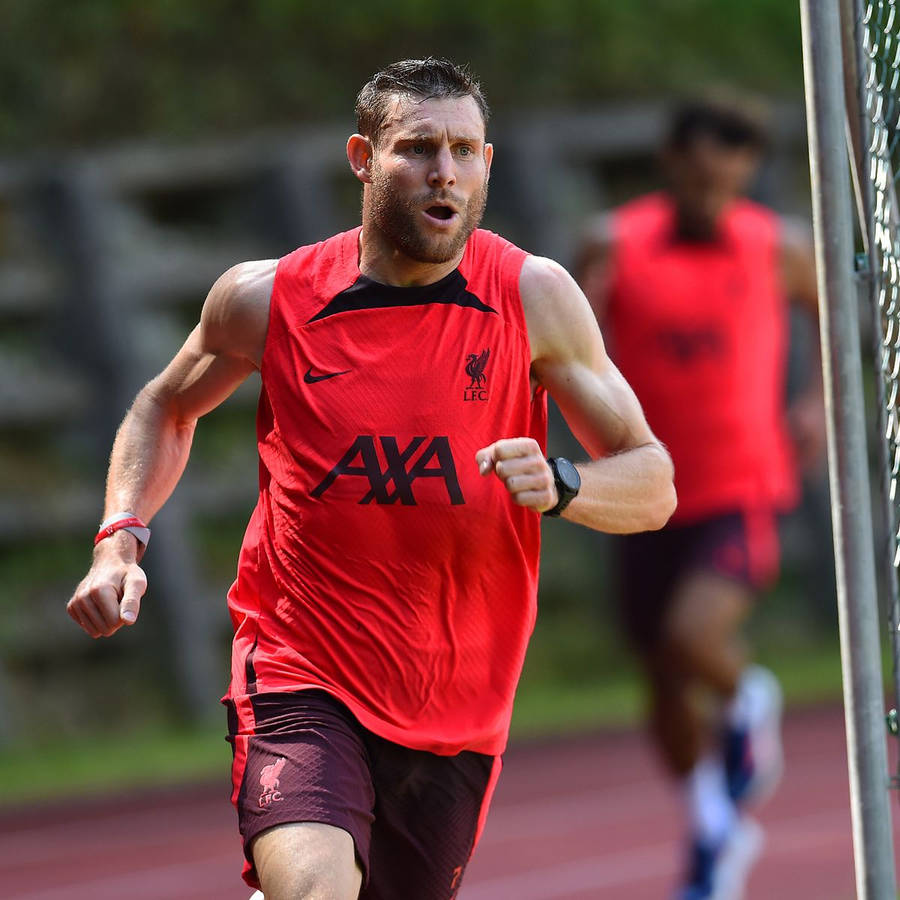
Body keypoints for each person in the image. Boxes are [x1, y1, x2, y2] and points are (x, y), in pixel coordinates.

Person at [68, 58, 676, 900]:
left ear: (488, 164)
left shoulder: (534, 296)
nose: (445, 172)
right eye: (418, 148)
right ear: (362, 156)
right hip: (300, 669)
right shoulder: (266, 298)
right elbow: (164, 409)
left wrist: (566, 482)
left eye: (465, 150)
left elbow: (653, 482)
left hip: (456, 711)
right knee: (318, 889)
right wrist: (117, 540)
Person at [575, 97, 824, 900]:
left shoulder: (777, 246)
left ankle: (749, 693)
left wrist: (816, 398)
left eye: (732, 179)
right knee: (657, 675)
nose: (715, 192)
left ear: (747, 175)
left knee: (693, 636)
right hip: (642, 487)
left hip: (741, 484)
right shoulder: (615, 242)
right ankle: (713, 818)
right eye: (702, 175)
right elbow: (556, 339)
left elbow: (833, 313)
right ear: (672, 162)